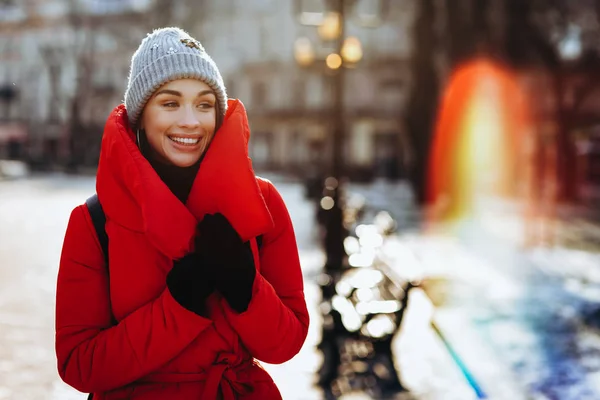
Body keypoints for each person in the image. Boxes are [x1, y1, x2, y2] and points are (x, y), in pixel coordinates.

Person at [55, 27, 309, 399]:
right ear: (140, 116)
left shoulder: (263, 204)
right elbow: (79, 363)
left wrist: (245, 289)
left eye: (204, 104)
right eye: (170, 103)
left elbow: (285, 345)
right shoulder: (94, 221)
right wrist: (175, 310)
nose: (191, 121)